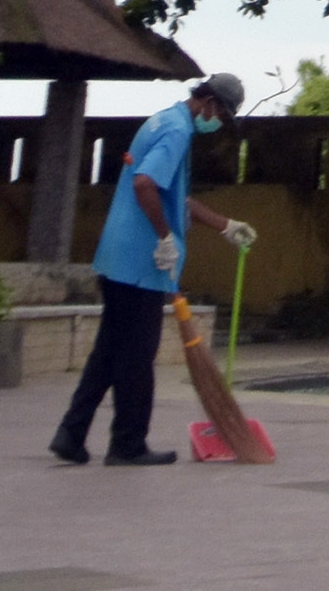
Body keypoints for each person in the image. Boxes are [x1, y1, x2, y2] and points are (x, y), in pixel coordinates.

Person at [48, 73, 256, 466]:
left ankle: (70, 434)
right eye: (222, 115)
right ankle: (128, 444)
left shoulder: (164, 120)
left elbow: (172, 194)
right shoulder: (178, 132)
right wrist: (163, 238)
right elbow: (145, 184)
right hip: (141, 261)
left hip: (118, 255)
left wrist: (225, 225)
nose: (220, 124)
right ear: (207, 101)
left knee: (108, 351)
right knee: (138, 355)